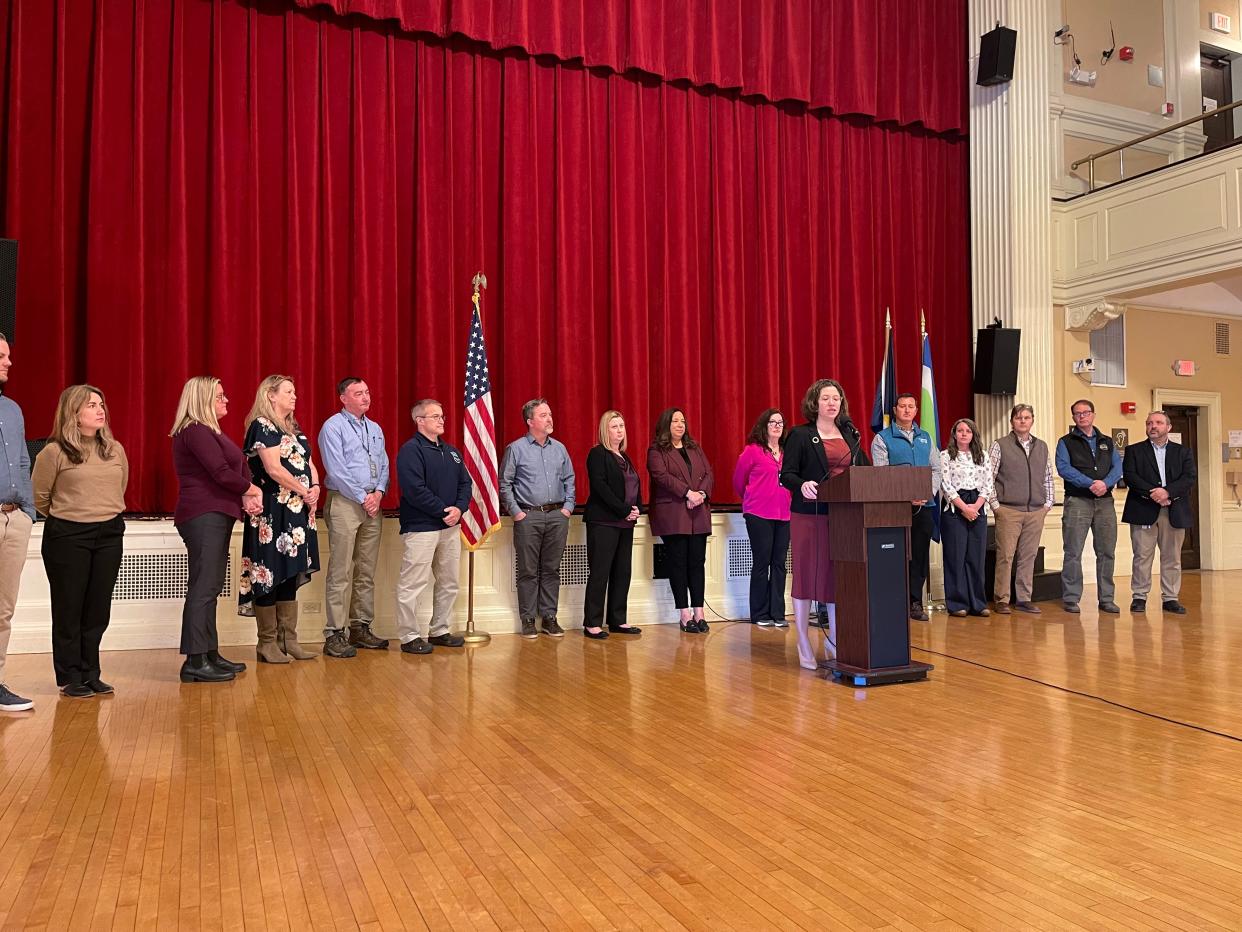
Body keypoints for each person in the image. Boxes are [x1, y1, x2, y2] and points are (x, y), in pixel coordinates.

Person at [32, 385, 128, 698]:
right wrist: (72, 514)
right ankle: (69, 675)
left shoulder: (114, 449)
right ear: (73, 413)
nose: (100, 410)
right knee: (69, 608)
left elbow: (119, 487)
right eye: (91, 405)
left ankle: (91, 672)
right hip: (68, 536)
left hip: (109, 533)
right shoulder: (54, 452)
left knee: (98, 608)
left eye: (101, 404)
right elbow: (40, 498)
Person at [170, 377, 262, 683]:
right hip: (202, 514)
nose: (226, 400)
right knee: (204, 586)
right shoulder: (194, 430)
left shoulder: (208, 431)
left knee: (209, 586)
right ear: (202, 399)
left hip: (214, 514)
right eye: (219, 395)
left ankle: (209, 652)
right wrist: (251, 490)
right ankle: (195, 661)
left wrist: (246, 492)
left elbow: (235, 469)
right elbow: (221, 472)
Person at [779, 379, 866, 670]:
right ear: (815, 403)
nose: (832, 403)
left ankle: (835, 639)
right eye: (826, 398)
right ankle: (803, 639)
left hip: (842, 517)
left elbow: (865, 472)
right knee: (806, 576)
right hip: (808, 516)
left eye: (836, 398)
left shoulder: (850, 434)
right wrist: (802, 485)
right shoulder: (800, 435)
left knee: (836, 576)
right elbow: (786, 475)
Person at [238, 375, 321, 663]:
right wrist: (303, 490)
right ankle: (267, 643)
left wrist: (316, 490)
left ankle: (289, 640)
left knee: (288, 573)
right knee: (269, 573)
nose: (295, 396)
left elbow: (309, 465)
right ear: (271, 395)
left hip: (298, 513)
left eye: (295, 391)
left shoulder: (294, 430)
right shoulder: (262, 426)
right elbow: (273, 469)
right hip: (273, 514)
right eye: (288, 391)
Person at [318, 377, 390, 658]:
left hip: (374, 502)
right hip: (346, 502)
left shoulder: (375, 428)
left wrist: (380, 493)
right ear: (343, 398)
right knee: (340, 571)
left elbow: (383, 464)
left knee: (366, 571)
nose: (365, 397)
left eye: (367, 392)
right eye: (358, 393)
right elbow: (336, 470)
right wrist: (363, 497)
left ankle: (360, 627)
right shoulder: (333, 427)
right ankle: (335, 633)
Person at [395, 399, 472, 653]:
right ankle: (409, 636)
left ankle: (439, 630)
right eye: (435, 416)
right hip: (421, 527)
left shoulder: (452, 452)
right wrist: (443, 511)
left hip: (450, 527)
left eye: (442, 416)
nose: (441, 420)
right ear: (420, 421)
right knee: (413, 583)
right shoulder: (410, 451)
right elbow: (414, 490)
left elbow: (465, 484)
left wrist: (459, 509)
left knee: (449, 581)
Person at [499, 398, 575, 640]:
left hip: (557, 516)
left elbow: (569, 479)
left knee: (551, 569)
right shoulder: (516, 448)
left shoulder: (560, 449)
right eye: (543, 415)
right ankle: (529, 619)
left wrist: (568, 508)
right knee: (529, 570)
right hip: (528, 516)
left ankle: (549, 618)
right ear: (530, 421)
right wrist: (517, 512)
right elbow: (505, 484)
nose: (549, 418)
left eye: (550, 414)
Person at [870, 393, 940, 621]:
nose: (907, 410)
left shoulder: (926, 438)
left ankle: (914, 602)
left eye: (911, 406)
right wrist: (905, 497)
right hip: (895, 509)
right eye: (903, 406)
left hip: (925, 506)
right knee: (895, 555)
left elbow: (936, 469)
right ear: (895, 409)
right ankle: (893, 600)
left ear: (916, 410)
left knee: (919, 556)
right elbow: (881, 474)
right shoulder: (882, 438)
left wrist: (925, 493)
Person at [1122, 411, 1196, 614]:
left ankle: (1170, 598)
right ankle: (1139, 596)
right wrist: (1153, 494)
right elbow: (1130, 476)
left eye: (1158, 423)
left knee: (1172, 558)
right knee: (1141, 556)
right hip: (1143, 509)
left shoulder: (1183, 452)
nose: (1153, 426)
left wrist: (1167, 492)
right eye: (1149, 423)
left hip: (1174, 510)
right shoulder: (1134, 450)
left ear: (1168, 427)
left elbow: (1189, 477)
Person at [647, 408, 714, 633]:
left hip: (698, 513)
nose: (680, 425)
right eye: (675, 421)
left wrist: (701, 494)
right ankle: (684, 614)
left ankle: (699, 612)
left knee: (697, 563)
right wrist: (688, 493)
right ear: (666, 424)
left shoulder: (694, 448)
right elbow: (661, 476)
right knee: (678, 564)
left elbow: (708, 474)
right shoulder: (656, 450)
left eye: (683, 421)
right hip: (674, 514)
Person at [1056, 399, 1122, 615]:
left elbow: (1117, 468)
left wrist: (1105, 483)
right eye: (1077, 414)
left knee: (1106, 552)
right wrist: (1089, 483)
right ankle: (1071, 598)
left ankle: (1107, 599)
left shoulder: (1107, 442)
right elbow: (1064, 468)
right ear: (1073, 417)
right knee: (1073, 551)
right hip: (1078, 502)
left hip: (1105, 503)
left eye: (1086, 413)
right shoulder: (1066, 442)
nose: (1082, 416)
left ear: (1093, 414)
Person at [987, 404, 1053, 615]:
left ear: (1032, 420)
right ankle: (1002, 599)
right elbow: (988, 477)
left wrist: (1047, 504)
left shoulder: (1041, 446)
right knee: (1006, 555)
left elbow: (1048, 476)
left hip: (1035, 511)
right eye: (1018, 418)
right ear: (1012, 421)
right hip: (1008, 510)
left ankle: (1024, 599)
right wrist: (996, 506)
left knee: (1028, 555)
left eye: (1026, 417)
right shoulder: (999, 445)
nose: (1022, 421)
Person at [582, 410, 642, 639]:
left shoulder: (624, 457)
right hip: (604, 522)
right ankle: (592, 623)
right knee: (600, 572)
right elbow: (601, 487)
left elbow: (634, 486)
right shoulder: (597, 454)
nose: (620, 430)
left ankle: (618, 619)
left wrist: (637, 508)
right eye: (614, 426)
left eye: (622, 426)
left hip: (626, 523)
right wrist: (624, 510)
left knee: (622, 572)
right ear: (605, 430)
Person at [0, 334, 37, 711]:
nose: (9, 363)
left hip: (14, 519)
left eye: (8, 355)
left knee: (3, 608)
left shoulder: (12, 410)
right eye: (1, 356)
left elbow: (23, 462)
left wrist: (27, 512)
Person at [733, 408, 791, 628]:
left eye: (780, 422)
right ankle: (759, 613)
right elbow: (739, 481)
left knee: (779, 563)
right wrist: (751, 497)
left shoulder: (787, 453)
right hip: (758, 514)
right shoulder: (753, 451)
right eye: (772, 422)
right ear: (763, 426)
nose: (777, 426)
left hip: (784, 514)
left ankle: (778, 612)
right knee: (761, 562)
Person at [939, 418, 992, 618]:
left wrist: (976, 506)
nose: (963, 434)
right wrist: (963, 508)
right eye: (959, 430)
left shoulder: (983, 456)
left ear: (973, 435)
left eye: (967, 431)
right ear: (954, 434)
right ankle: (957, 603)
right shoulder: (945, 456)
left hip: (977, 506)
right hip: (955, 508)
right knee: (955, 557)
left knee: (975, 557)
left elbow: (989, 483)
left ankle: (978, 603)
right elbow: (945, 484)